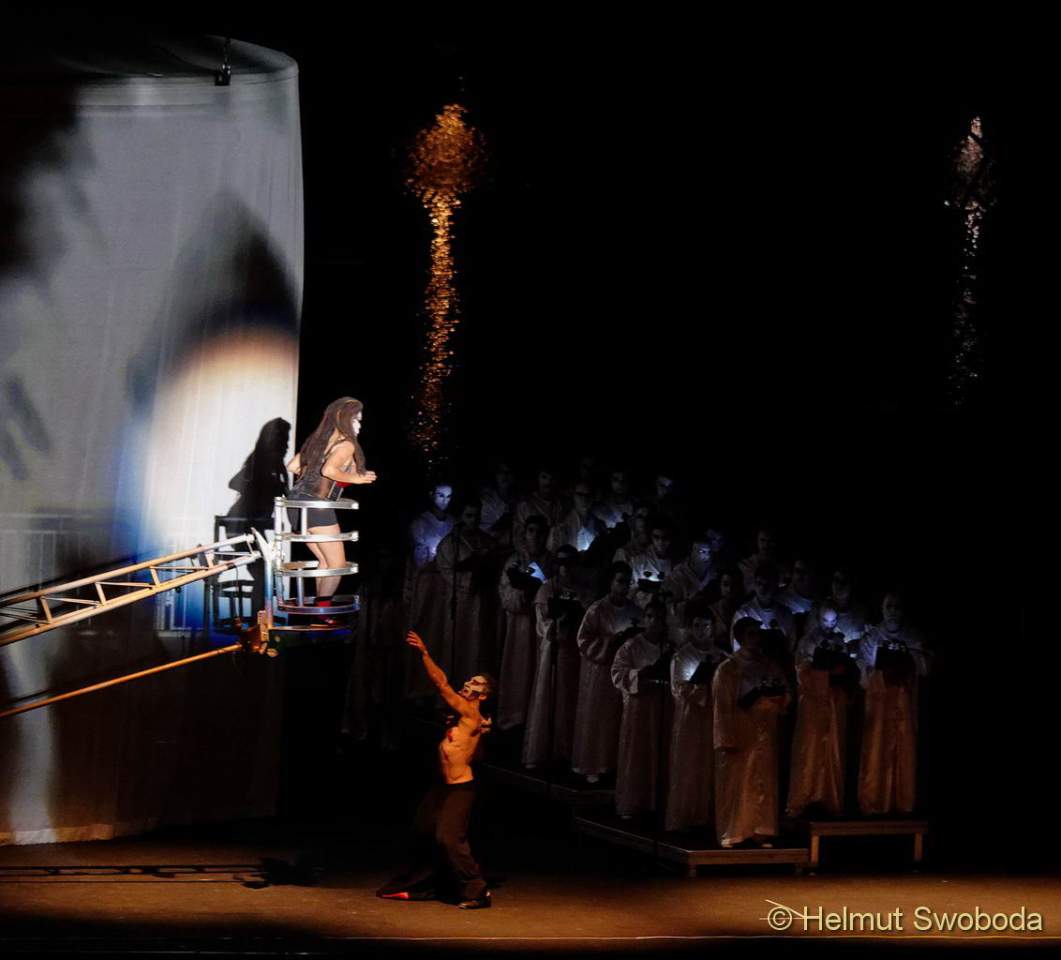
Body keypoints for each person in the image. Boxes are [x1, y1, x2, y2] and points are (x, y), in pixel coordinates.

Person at [377, 631, 493, 909]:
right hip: (442, 786)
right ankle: (435, 882)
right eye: (469, 680)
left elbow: (441, 684)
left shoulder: (471, 713)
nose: (468, 683)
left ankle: (478, 891)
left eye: (475, 683)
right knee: (423, 829)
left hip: (460, 787)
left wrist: (425, 654)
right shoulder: (464, 717)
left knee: (448, 837)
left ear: (483, 695)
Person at [285, 398, 376, 605]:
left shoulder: (318, 441)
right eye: (356, 420)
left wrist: (314, 473)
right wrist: (355, 478)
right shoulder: (346, 445)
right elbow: (329, 470)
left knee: (326, 562)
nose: (359, 426)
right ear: (345, 420)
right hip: (316, 507)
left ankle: (320, 611)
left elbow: (293, 466)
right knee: (337, 564)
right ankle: (322, 610)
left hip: (296, 506)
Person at [713, 618, 791, 848]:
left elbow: (786, 692)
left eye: (758, 633)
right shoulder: (729, 668)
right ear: (740, 638)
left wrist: (778, 697)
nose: (756, 639)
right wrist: (725, 737)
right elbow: (722, 706)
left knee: (762, 780)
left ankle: (761, 829)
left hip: (765, 730)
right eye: (751, 634)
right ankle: (735, 831)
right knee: (739, 781)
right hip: (741, 731)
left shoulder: (769, 665)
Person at [856, 592, 931, 816]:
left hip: (904, 707)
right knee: (876, 752)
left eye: (897, 607)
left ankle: (902, 802)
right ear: (882, 608)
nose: (893, 612)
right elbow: (863, 671)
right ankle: (874, 801)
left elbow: (925, 666)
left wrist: (907, 660)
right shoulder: (871, 637)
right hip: (879, 707)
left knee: (904, 753)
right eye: (889, 606)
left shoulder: (913, 637)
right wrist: (881, 671)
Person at [522, 544, 593, 769]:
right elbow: (543, 625)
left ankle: (568, 749)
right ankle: (545, 748)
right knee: (550, 695)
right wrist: (560, 621)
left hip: (576, 651)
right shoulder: (546, 589)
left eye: (569, 563)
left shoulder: (583, 591)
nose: (565, 568)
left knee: (571, 698)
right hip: (555, 650)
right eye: (561, 563)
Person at [571, 562, 642, 784]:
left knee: (618, 718)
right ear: (611, 582)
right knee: (597, 718)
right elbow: (583, 640)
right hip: (600, 673)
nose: (624, 587)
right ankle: (592, 764)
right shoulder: (597, 610)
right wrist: (610, 643)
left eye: (627, 582)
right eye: (620, 581)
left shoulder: (634, 611)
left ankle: (614, 764)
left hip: (622, 672)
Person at [786, 605, 859, 818]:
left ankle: (830, 799)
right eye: (825, 621)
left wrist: (842, 677)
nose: (829, 626)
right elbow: (802, 672)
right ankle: (804, 799)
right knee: (809, 751)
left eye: (833, 621)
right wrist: (826, 676)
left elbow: (848, 671)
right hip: (813, 706)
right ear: (818, 619)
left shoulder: (840, 643)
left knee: (833, 751)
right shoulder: (807, 642)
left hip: (835, 705)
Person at [665, 601, 727, 833]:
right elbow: (679, 687)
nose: (702, 631)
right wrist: (702, 689)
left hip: (714, 718)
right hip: (690, 719)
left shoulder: (722, 656)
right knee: (689, 765)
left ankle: (708, 816)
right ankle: (685, 816)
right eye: (697, 626)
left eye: (706, 626)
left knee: (711, 766)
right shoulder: (681, 656)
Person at [611, 598, 673, 819]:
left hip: (662, 706)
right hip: (638, 708)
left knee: (660, 753)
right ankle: (632, 802)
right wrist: (641, 675)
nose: (654, 622)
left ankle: (656, 803)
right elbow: (617, 673)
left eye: (659, 618)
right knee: (636, 754)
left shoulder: (669, 646)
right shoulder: (631, 646)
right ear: (644, 619)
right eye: (650, 617)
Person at [496, 514, 553, 730]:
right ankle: (514, 716)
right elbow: (505, 594)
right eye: (531, 531)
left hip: (542, 627)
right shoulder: (515, 560)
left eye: (540, 532)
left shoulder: (551, 562)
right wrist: (523, 593)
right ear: (524, 533)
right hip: (519, 627)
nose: (535, 537)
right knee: (518, 669)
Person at [435, 499, 499, 683]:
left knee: (480, 645)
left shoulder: (488, 541)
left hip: (483, 601)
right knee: (458, 644)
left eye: (477, 516)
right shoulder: (450, 544)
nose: (473, 520)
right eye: (469, 516)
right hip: (460, 602)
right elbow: (446, 570)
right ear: (461, 517)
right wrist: (471, 576)